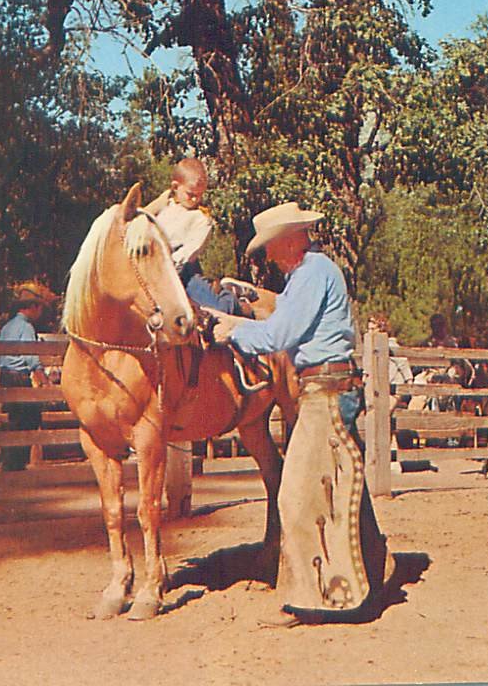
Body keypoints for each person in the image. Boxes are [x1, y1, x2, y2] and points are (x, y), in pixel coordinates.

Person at [210, 202, 392, 625]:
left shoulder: (311, 273)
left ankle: (313, 601)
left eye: (271, 246)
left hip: (324, 391)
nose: (268, 255)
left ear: (291, 239)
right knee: (341, 487)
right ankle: (373, 572)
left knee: (296, 497)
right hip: (325, 387)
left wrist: (233, 329)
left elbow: (280, 334)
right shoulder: (309, 275)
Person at [144, 159, 247, 315]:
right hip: (153, 265)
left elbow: (190, 252)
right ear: (175, 187)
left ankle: (230, 294)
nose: (195, 200)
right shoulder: (163, 207)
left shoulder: (201, 219)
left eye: (199, 196)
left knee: (216, 311)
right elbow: (139, 222)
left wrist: (166, 270)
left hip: (183, 270)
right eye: (190, 194)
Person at [0, 281, 57, 471]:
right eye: (39, 308)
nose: (40, 313)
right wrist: (45, 381)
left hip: (5, 376)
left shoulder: (7, 327)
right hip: (18, 377)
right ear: (32, 307)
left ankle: (10, 460)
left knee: (14, 419)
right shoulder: (27, 328)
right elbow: (30, 357)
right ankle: (16, 463)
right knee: (29, 418)